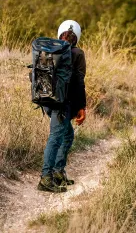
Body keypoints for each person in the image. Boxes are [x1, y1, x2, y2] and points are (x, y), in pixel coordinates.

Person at [37, 20, 86, 193]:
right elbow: (79, 83)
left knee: (67, 136)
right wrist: (82, 107)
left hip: (47, 101)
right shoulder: (77, 53)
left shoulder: (49, 49)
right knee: (56, 137)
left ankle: (58, 172)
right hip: (63, 104)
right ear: (77, 36)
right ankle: (46, 178)